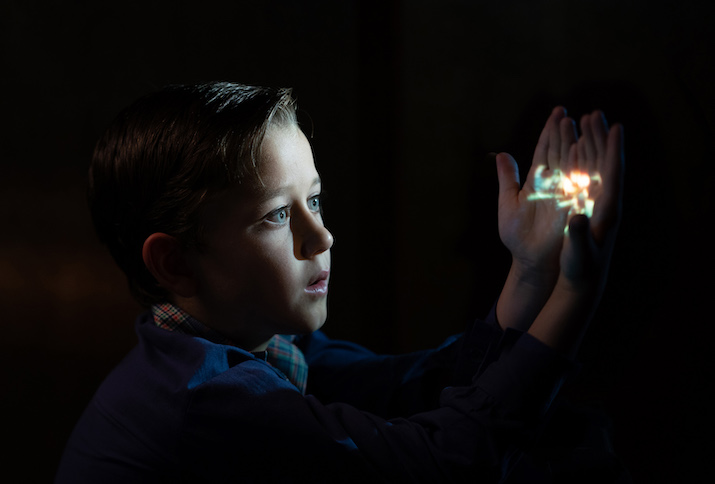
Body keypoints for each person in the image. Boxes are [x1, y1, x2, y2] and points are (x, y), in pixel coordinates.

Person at [55, 82, 625, 483]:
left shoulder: (273, 347)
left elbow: (416, 391)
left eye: (315, 201)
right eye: (278, 215)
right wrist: (574, 295)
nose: (322, 237)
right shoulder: (201, 399)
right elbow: (444, 465)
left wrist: (530, 270)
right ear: (176, 264)